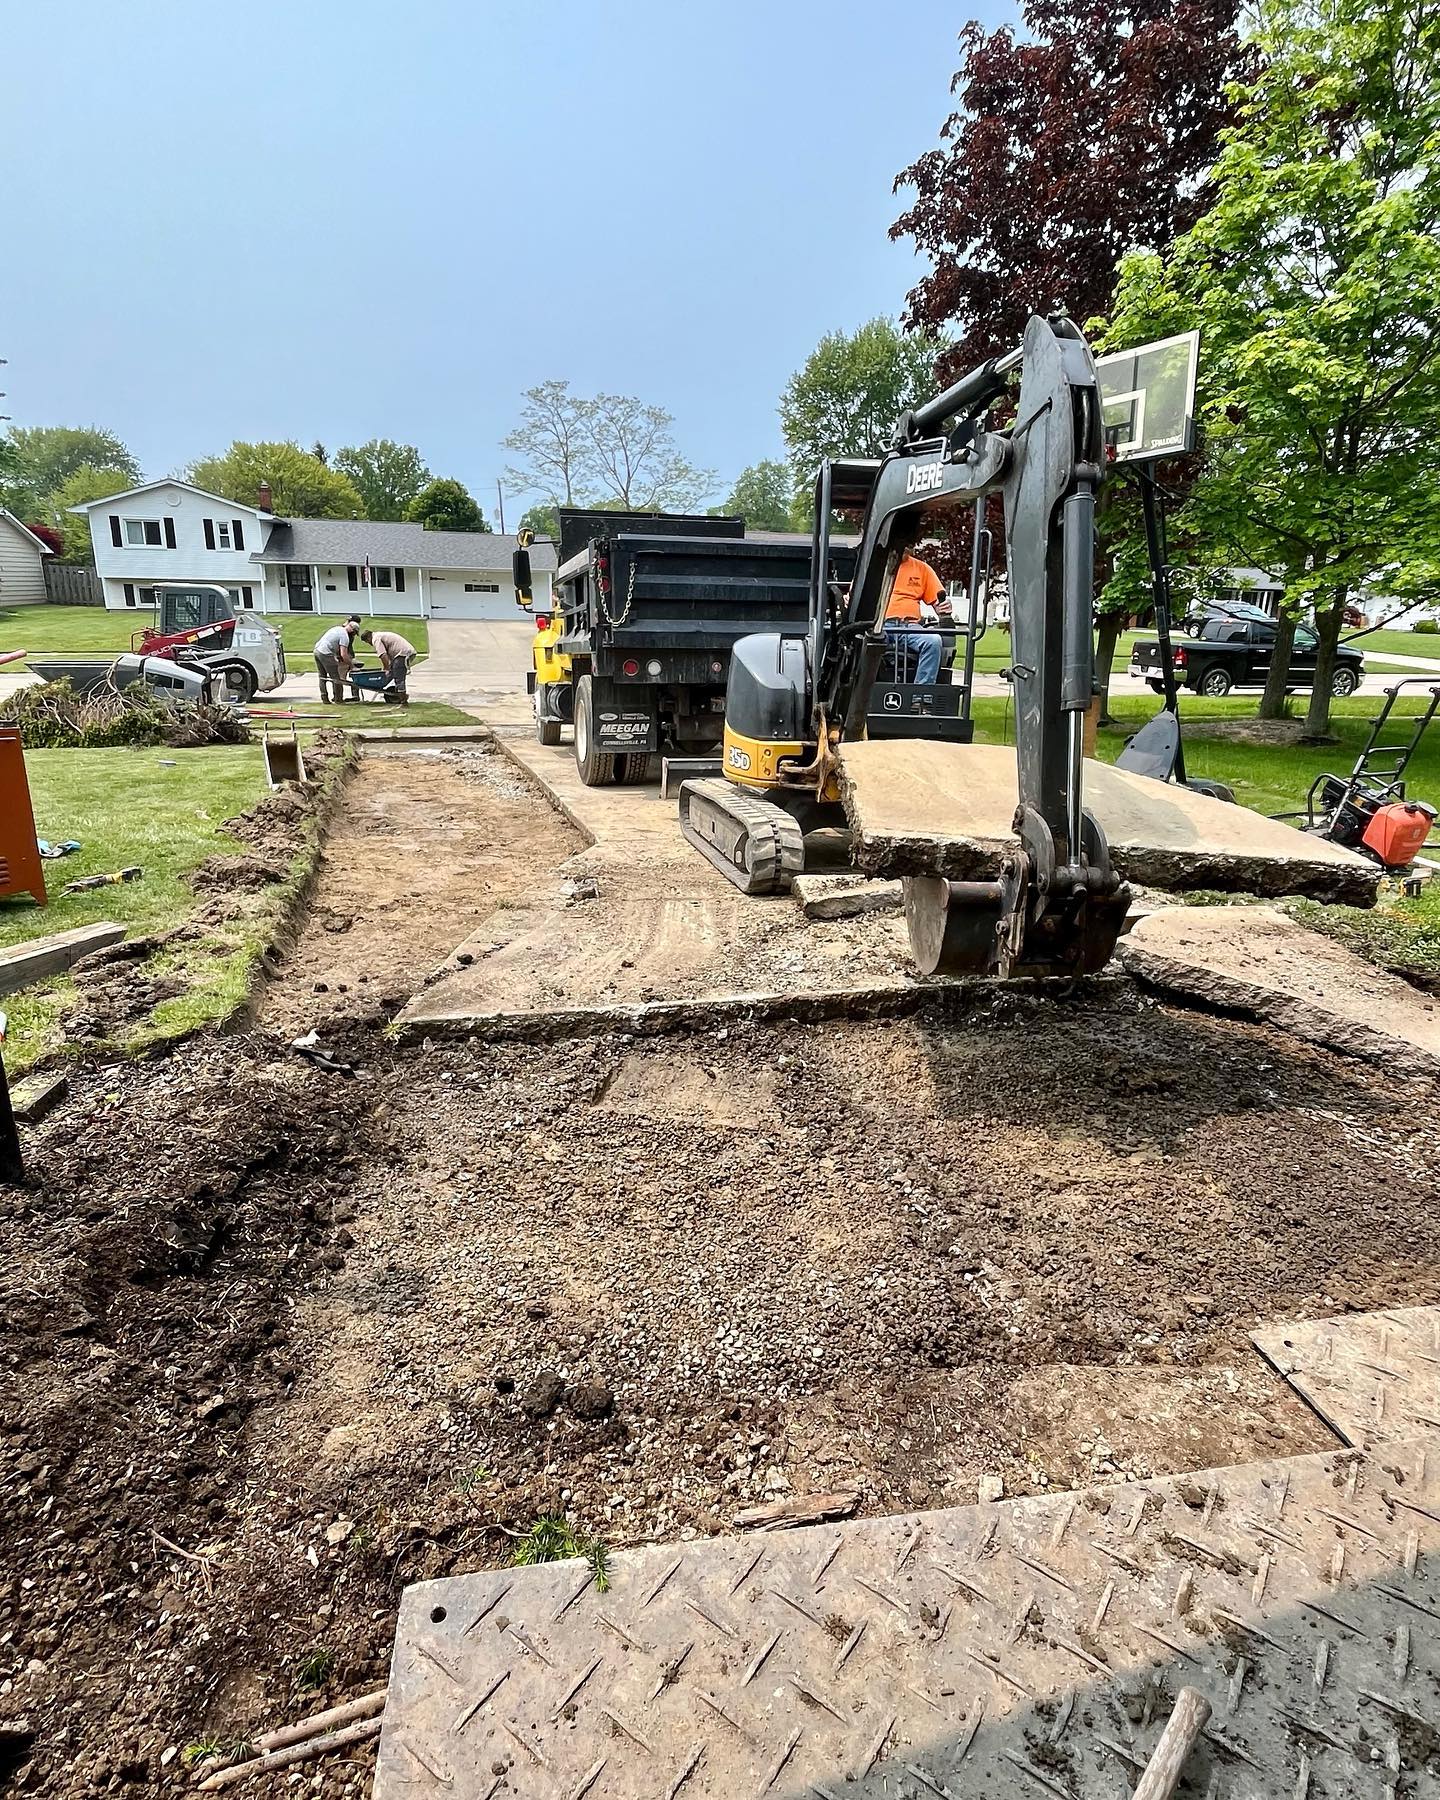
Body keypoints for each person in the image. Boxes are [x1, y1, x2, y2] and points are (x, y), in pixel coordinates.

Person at [884, 553, 946, 685]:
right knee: (865, 641)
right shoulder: (875, 566)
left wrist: (943, 607)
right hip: (880, 625)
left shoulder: (921, 568)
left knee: (933, 641)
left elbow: (938, 603)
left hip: (910, 626)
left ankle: (921, 696)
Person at [357, 627, 416, 701]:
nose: (369, 644)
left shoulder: (376, 639)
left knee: (398, 676)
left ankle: (403, 700)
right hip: (404, 652)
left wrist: (386, 669)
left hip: (403, 654)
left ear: (368, 638)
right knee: (393, 672)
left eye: (367, 642)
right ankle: (399, 694)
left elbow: (383, 655)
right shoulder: (379, 635)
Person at [313, 618, 359, 703]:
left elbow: (334, 644)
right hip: (325, 653)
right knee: (336, 678)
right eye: (354, 633)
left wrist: (338, 656)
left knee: (322, 677)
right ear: (352, 630)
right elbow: (344, 655)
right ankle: (338, 699)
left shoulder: (337, 628)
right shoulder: (345, 636)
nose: (354, 635)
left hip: (317, 650)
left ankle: (325, 699)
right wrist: (352, 666)